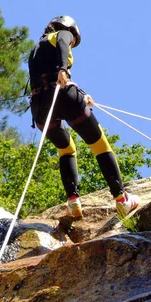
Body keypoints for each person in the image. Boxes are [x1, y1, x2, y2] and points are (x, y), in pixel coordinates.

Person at [28, 15, 140, 219]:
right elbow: (63, 44)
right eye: (73, 39)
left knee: (66, 148)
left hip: (40, 109)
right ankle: (122, 200)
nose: (71, 41)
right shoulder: (61, 34)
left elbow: (44, 77)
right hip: (62, 95)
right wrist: (63, 68)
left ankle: (73, 201)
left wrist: (81, 92)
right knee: (99, 143)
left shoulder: (35, 50)